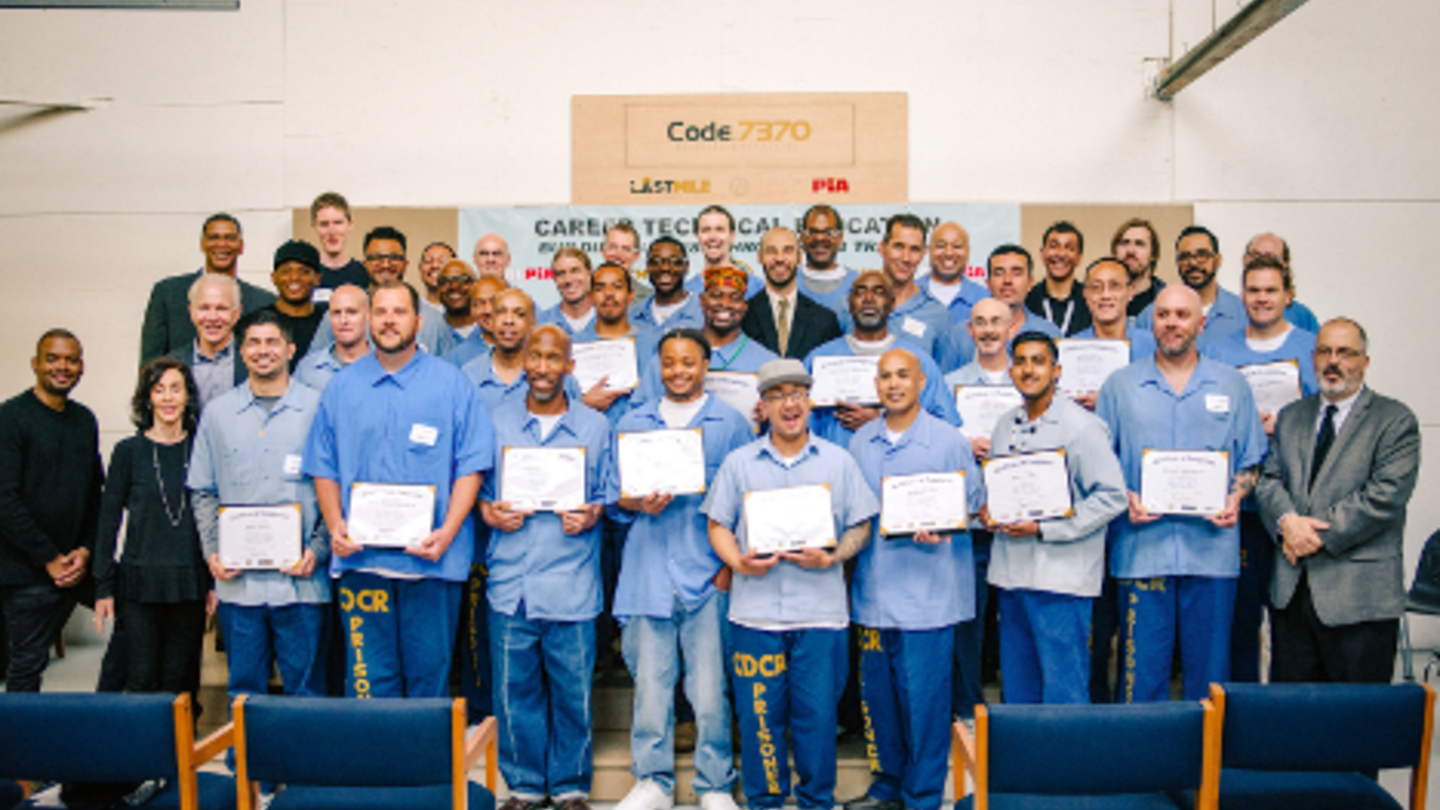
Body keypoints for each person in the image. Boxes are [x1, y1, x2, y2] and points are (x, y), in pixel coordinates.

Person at [702, 358, 879, 810]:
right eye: (778, 395)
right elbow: (717, 524)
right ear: (762, 406)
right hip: (754, 614)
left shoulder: (838, 462)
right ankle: (765, 802)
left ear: (810, 401)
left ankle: (816, 801)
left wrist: (834, 555)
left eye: (797, 393)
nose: (789, 404)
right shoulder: (740, 464)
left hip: (821, 614)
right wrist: (738, 562)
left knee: (817, 718)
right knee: (760, 716)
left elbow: (862, 524)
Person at [305, 281, 494, 698]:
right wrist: (335, 525)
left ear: (418, 321)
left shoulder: (452, 384)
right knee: (369, 682)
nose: (389, 321)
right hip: (361, 564)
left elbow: (473, 464)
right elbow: (324, 465)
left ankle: (426, 764)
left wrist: (447, 531)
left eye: (399, 312)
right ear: (370, 320)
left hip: (432, 562)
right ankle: (377, 766)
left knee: (430, 678)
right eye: (381, 312)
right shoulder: (342, 387)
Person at [1096, 285, 1267, 702]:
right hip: (1141, 550)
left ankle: (1204, 766)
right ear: (1151, 321)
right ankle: (1143, 764)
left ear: (1200, 322)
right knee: (1141, 676)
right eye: (1163, 314)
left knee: (1209, 677)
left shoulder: (1232, 385)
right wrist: (1126, 496)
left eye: (1182, 315)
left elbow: (1253, 461)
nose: (1172, 323)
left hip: (1211, 553)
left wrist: (1236, 497)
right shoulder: (1120, 386)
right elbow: (1100, 463)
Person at [607, 329, 750, 810]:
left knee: (710, 691)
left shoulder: (729, 424)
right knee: (650, 688)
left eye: (688, 362)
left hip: (707, 576)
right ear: (658, 366)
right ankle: (652, 781)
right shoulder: (633, 421)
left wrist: (728, 571)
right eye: (669, 362)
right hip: (647, 573)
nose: (678, 371)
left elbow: (745, 503)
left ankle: (714, 783)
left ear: (705, 365)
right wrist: (636, 502)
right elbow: (613, 495)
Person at [844, 348, 983, 810]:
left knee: (924, 704)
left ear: (922, 381)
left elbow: (973, 502)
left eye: (903, 375)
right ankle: (887, 788)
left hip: (930, 596)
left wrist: (946, 522)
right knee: (880, 701)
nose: (894, 384)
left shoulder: (948, 440)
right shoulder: (861, 441)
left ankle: (922, 796)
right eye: (885, 376)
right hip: (874, 592)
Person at [480, 325, 610, 810]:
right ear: (523, 362)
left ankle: (572, 785)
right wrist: (488, 512)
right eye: (534, 356)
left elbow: (610, 494)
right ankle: (525, 785)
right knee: (515, 694)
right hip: (511, 582)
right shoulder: (496, 424)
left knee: (572, 693)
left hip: (571, 582)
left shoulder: (595, 429)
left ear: (569, 367)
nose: (541, 367)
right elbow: (479, 492)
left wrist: (594, 511)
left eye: (553, 358)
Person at [1257, 318, 1419, 683]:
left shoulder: (1394, 420)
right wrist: (1287, 522)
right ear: (1313, 358)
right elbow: (1268, 481)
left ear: (1365, 361)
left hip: (1359, 599)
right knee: (1295, 721)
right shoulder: (1291, 416)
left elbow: (1384, 497)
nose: (1334, 361)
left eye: (1345, 352)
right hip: (1292, 594)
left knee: (1356, 725)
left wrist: (1309, 536)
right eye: (1326, 351)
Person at [188, 309, 331, 702]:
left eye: (272, 342)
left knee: (307, 691)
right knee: (245, 690)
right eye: (253, 342)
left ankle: (303, 766)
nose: (262, 350)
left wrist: (317, 551)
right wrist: (213, 552)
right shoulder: (217, 414)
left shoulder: (320, 409)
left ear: (290, 349)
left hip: (301, 582)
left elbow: (335, 490)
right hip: (239, 587)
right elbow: (203, 490)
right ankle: (248, 764)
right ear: (241, 349)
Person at [985, 333, 1127, 703]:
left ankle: (1066, 763)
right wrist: (990, 511)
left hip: (1061, 581)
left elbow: (1112, 497)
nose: (1028, 369)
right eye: (1020, 361)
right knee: (1018, 689)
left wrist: (1046, 528)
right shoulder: (1004, 425)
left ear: (1056, 370)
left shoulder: (1082, 427)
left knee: (1064, 690)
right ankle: (1024, 762)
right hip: (1012, 577)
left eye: (1038, 360)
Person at [1202, 254, 1319, 682]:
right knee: (1241, 618)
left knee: (1292, 617)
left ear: (1288, 295)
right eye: (1253, 290)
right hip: (1243, 506)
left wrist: (1285, 422)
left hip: (1298, 502)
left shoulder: (1311, 346)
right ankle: (1242, 713)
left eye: (1271, 290)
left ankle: (1287, 715)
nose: (1262, 299)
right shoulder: (1217, 351)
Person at [93, 359, 212, 698]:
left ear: (188, 395)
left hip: (190, 582)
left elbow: (216, 515)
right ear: (146, 398)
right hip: (139, 584)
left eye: (176, 388)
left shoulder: (202, 447)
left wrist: (215, 581)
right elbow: (108, 521)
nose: (168, 398)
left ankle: (179, 751)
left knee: (180, 681)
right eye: (158, 390)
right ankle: (142, 751)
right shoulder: (128, 452)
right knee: (141, 678)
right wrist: (103, 586)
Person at [0, 330, 103, 691]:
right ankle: (16, 747)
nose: (63, 366)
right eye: (53, 358)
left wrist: (87, 550)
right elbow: (4, 500)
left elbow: (96, 495)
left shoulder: (83, 420)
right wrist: (48, 558)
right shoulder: (10, 418)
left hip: (78, 564)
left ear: (81, 367)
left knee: (138, 612)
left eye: (71, 359)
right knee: (27, 667)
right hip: (27, 572)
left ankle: (112, 719)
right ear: (35, 364)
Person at [939, 297, 1012, 721]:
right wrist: (961, 443)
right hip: (969, 525)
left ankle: (1019, 709)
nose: (988, 330)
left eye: (996, 322)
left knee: (1016, 620)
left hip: (1020, 523)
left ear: (1011, 327)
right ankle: (968, 707)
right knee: (968, 621)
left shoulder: (1027, 379)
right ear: (969, 330)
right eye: (980, 322)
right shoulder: (949, 385)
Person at [807, 272, 956, 448]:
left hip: (899, 467)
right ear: (849, 304)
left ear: (892, 304)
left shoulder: (917, 360)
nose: (869, 298)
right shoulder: (819, 359)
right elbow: (798, 423)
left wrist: (885, 422)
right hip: (834, 469)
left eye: (878, 292)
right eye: (861, 292)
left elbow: (945, 426)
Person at [633, 266, 780, 416]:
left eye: (735, 298)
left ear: (745, 306)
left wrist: (773, 417)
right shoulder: (669, 356)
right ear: (702, 300)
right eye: (716, 296)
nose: (725, 304)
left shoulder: (768, 363)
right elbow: (638, 413)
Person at [140, 213, 276, 367]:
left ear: (241, 246)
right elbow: (150, 364)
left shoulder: (263, 301)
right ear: (202, 244)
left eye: (229, 238)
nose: (221, 244)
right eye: (214, 237)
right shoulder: (167, 293)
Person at [943, 245, 1062, 372]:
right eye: (999, 273)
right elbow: (945, 386)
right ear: (988, 284)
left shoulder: (1050, 333)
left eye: (1016, 273)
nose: (1007, 280)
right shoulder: (961, 334)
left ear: (1030, 283)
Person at [853, 214, 951, 362]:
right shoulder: (851, 305)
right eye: (898, 246)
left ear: (923, 254)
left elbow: (941, 380)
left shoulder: (938, 315)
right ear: (882, 248)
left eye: (914, 249)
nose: (905, 258)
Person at [574, 263, 658, 427]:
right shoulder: (573, 346)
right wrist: (582, 403)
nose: (609, 294)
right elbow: (556, 408)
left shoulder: (652, 345)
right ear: (590, 298)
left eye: (617, 287)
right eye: (600, 288)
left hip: (640, 439)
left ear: (631, 295)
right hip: (589, 438)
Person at [1068, 257, 1158, 408]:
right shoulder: (1071, 348)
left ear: (1131, 292)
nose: (1105, 295)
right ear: (1086, 295)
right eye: (1096, 287)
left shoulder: (1153, 346)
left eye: (1114, 286)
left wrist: (1107, 401)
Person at [1135, 226, 1245, 349]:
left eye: (1202, 255)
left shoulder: (1243, 314)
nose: (1193, 262)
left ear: (1218, 260)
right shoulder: (1150, 316)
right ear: (1177, 263)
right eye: (1185, 256)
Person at [740, 227, 842, 360]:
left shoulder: (824, 320)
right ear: (759, 257)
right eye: (772, 251)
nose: (780, 258)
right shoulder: (742, 316)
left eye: (788, 251)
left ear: (800, 257)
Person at [165, 273, 247, 408]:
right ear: (192, 312)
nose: (212, 317)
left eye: (221, 308)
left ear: (236, 314)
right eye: (204, 308)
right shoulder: (171, 364)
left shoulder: (253, 362)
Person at [262, 239, 327, 365]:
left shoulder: (327, 323)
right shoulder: (258, 322)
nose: (294, 277)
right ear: (274, 277)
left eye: (304, 271)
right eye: (286, 271)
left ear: (318, 278)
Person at [294, 284, 370, 391]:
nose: (343, 320)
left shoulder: (387, 365)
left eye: (352, 312)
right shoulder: (307, 369)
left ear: (368, 316)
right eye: (336, 313)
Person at [1242, 232, 1320, 332]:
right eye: (1255, 255)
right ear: (1244, 260)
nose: (1261, 261)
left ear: (1284, 265)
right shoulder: (1229, 313)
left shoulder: (1302, 317)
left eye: (1270, 257)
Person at [1025, 222, 1090, 336]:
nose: (1061, 254)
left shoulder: (1091, 301)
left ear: (1079, 258)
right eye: (1054, 246)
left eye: (1069, 248)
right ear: (1042, 254)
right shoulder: (1027, 300)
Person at [684, 205, 763, 298]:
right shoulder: (687, 291)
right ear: (698, 236)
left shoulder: (756, 287)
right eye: (706, 230)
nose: (712, 237)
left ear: (732, 236)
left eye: (719, 230)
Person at [633, 237, 704, 332]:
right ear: (648, 266)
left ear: (686, 266)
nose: (665, 268)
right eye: (656, 262)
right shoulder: (633, 316)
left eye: (674, 262)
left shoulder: (705, 313)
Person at [923, 221, 989, 325]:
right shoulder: (909, 295)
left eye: (957, 246)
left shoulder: (984, 299)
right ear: (929, 250)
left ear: (968, 251)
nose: (949, 253)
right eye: (941, 246)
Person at [797, 204, 858, 315]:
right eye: (813, 232)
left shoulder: (857, 285)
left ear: (840, 238)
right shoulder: (789, 282)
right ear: (802, 237)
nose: (820, 238)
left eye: (829, 233)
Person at [309, 192, 370, 297]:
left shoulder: (365, 274)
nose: (332, 231)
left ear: (350, 225)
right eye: (324, 224)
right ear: (315, 228)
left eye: (338, 222)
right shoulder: (307, 275)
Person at [446, 275, 508, 368]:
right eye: (479, 303)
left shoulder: (530, 350)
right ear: (472, 310)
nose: (488, 310)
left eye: (495, 301)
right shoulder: (457, 358)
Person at [1110, 218, 1165, 318]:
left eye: (1139, 244)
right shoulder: (1098, 300)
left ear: (1153, 254)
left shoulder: (1167, 301)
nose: (1130, 250)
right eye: (1125, 243)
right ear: (1114, 252)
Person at [538, 246, 598, 335]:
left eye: (575, 271)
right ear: (555, 280)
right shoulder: (541, 324)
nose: (568, 280)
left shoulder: (612, 319)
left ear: (590, 274)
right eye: (561, 273)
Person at [603, 222, 653, 304]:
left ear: (636, 256)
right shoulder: (586, 297)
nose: (618, 254)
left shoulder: (650, 298)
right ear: (604, 252)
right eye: (613, 247)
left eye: (626, 249)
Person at [436, 258, 480, 347]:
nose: (454, 286)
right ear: (438, 288)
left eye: (462, 279)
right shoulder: (431, 332)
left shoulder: (490, 331)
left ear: (475, 284)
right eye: (446, 281)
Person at [418, 241, 458, 318]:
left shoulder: (468, 311)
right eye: (429, 261)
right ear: (420, 271)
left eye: (442, 261)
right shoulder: (413, 309)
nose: (435, 265)